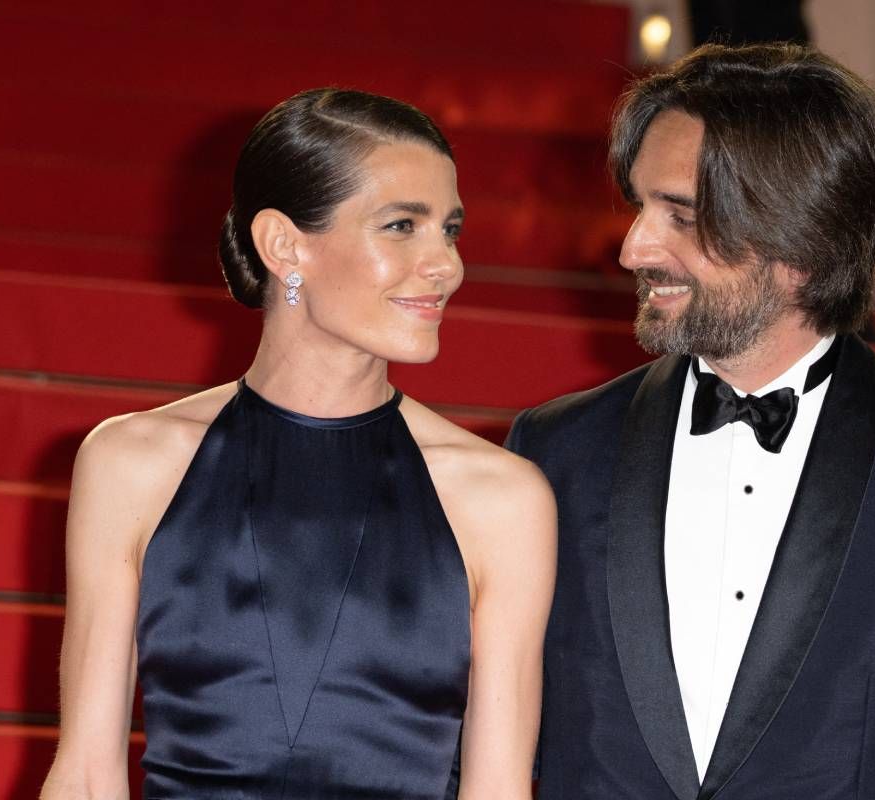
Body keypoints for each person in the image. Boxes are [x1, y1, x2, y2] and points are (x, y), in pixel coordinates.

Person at [507, 44, 875, 799]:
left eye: (681, 215)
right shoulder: (553, 452)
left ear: (801, 242)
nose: (635, 245)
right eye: (640, 207)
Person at [40, 89, 555, 800]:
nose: (447, 265)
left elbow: (498, 789)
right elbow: (87, 775)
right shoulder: (132, 463)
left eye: (451, 230)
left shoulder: (501, 499)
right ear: (285, 245)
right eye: (403, 226)